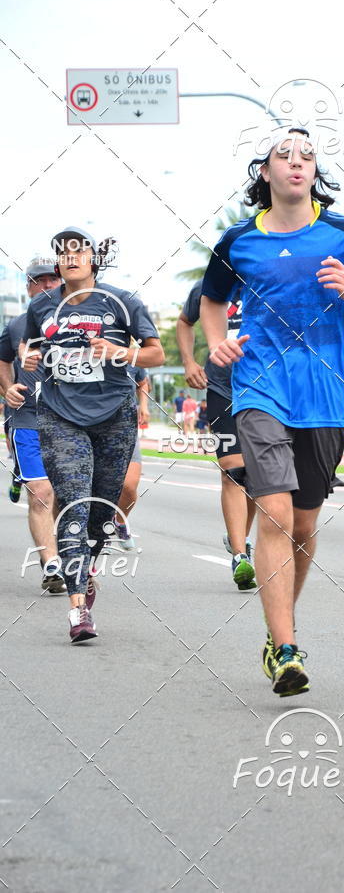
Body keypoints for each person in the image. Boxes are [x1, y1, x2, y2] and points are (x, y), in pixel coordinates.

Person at [200, 127, 344, 696]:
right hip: (259, 385)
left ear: (315, 172)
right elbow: (210, 302)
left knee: (304, 524)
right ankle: (285, 648)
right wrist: (217, 345)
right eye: (284, 155)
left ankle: (278, 631)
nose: (297, 162)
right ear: (265, 173)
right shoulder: (238, 241)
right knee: (277, 515)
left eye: (307, 154)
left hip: (325, 396)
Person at [19, 227, 164, 643]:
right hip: (60, 416)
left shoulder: (123, 303)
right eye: (62, 252)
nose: (70, 257)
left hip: (113, 418)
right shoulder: (43, 305)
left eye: (78, 250)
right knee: (75, 505)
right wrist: (25, 363)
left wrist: (121, 351)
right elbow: (25, 351)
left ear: (92, 260)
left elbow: (156, 353)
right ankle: (78, 609)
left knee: (101, 513)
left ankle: (88, 566)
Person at [176, 281, 256, 591]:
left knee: (256, 476)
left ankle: (241, 538)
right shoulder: (209, 286)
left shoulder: (270, 278)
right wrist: (189, 361)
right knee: (233, 471)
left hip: (267, 390)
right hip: (223, 389)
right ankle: (239, 555)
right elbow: (185, 322)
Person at [0, 257, 66, 593]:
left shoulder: (78, 324)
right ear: (28, 287)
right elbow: (1, 362)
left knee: (67, 496)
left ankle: (75, 555)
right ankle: (51, 563)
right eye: (37, 282)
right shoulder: (14, 327)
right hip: (27, 420)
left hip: (70, 423)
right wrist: (7, 387)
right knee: (41, 494)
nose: (45, 287)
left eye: (51, 281)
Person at [112, 364, 151, 551]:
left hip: (126, 426)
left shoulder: (131, 353)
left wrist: (143, 406)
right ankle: (95, 531)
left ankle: (119, 521)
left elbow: (142, 382)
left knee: (129, 486)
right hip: (89, 425)